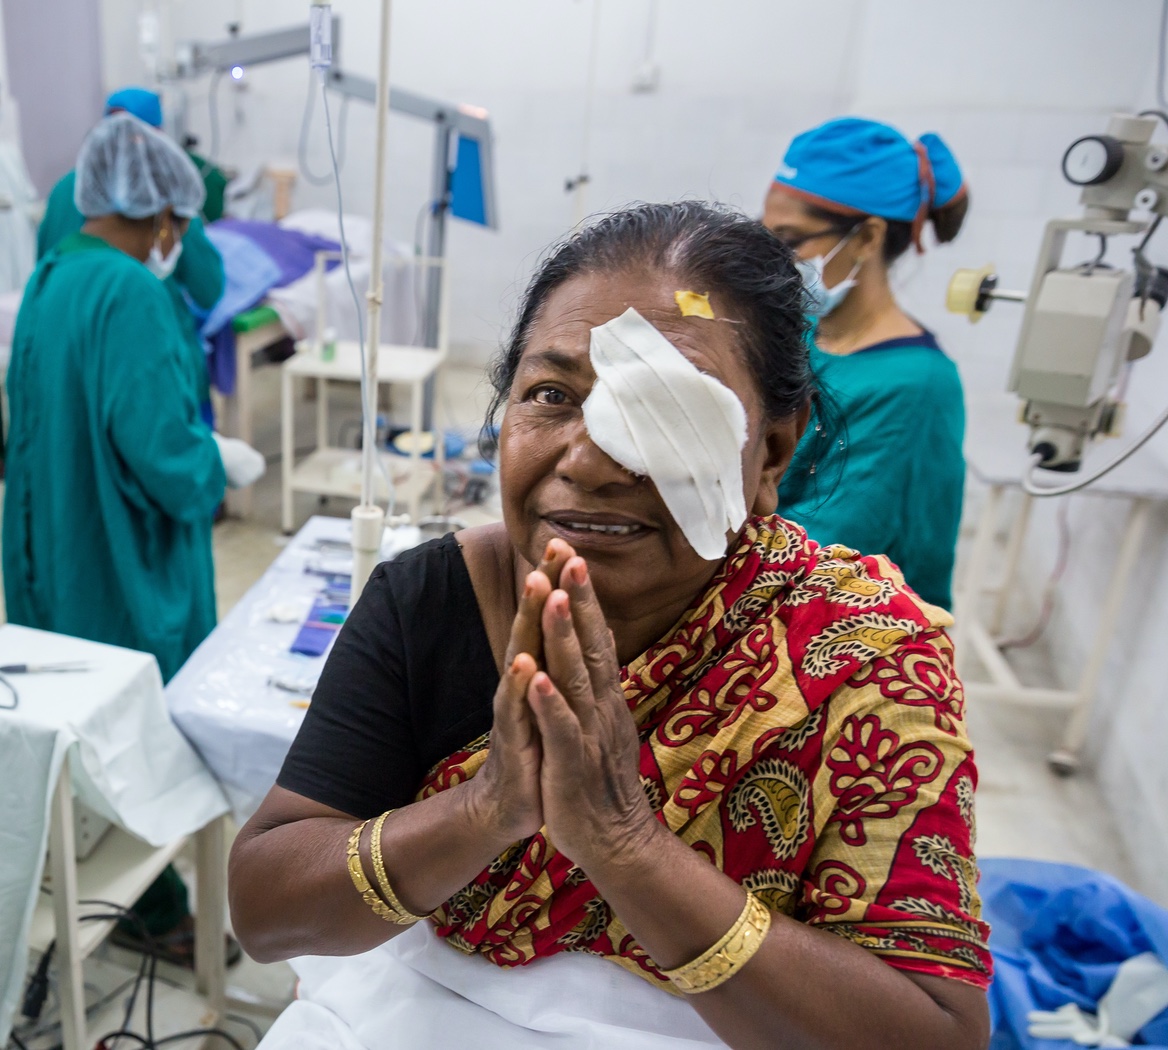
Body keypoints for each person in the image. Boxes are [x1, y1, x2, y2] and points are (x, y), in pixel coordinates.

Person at [231, 201, 991, 1050]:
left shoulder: (861, 658)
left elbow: (936, 1034)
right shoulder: (431, 600)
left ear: (771, 453)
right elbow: (264, 914)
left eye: (665, 412)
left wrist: (625, 845)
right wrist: (484, 812)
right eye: (550, 396)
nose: (587, 461)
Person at [3, 112, 260, 959]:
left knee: (71, 723)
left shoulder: (50, 277)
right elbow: (159, 455)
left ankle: (92, 884)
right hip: (118, 558)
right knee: (143, 726)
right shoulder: (136, 295)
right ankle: (153, 911)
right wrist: (215, 460)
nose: (175, 240)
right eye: (177, 226)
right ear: (163, 218)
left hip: (50, 546)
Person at [763, 117, 969, 611]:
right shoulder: (801, 333)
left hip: (846, 630)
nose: (773, 260)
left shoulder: (915, 386)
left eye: (790, 242)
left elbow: (820, 554)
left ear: (866, 238)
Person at [37, 87, 224, 424]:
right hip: (158, 379)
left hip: (64, 383)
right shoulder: (164, 200)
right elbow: (209, 287)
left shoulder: (66, 196)